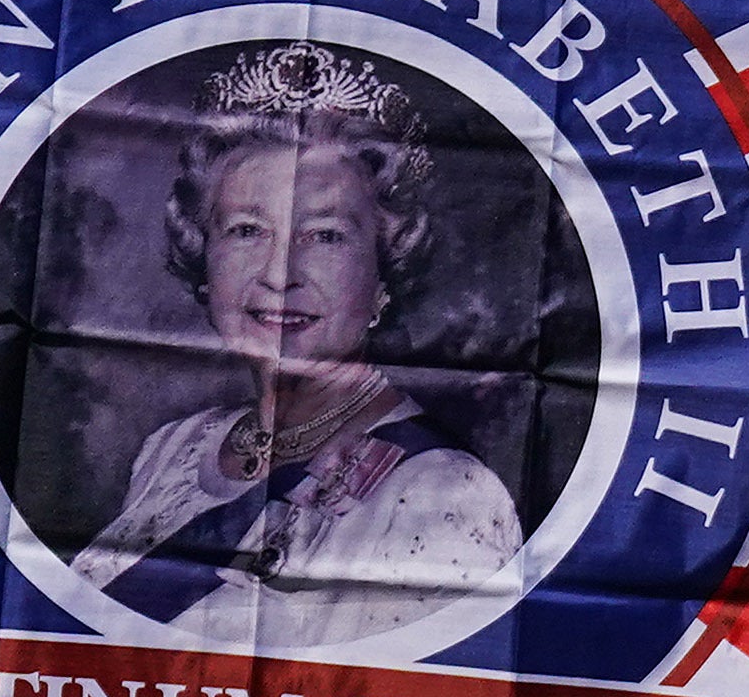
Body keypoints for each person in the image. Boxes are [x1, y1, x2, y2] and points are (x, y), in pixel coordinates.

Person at [63, 41, 523, 655]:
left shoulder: (448, 495)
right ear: (204, 257)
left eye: (327, 235)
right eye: (247, 230)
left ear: (385, 272)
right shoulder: (173, 449)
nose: (281, 274)